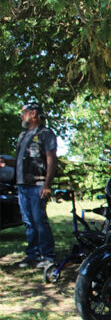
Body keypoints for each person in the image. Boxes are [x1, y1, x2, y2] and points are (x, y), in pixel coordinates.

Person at [0, 102, 57, 268]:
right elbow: (19, 160)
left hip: (37, 184)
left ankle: (48, 256)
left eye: (23, 112)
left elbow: (51, 159)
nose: (20, 115)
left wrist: (47, 184)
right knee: (28, 221)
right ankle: (32, 255)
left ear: (33, 114)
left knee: (39, 221)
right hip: (22, 186)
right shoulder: (22, 136)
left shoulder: (46, 133)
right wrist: (6, 162)